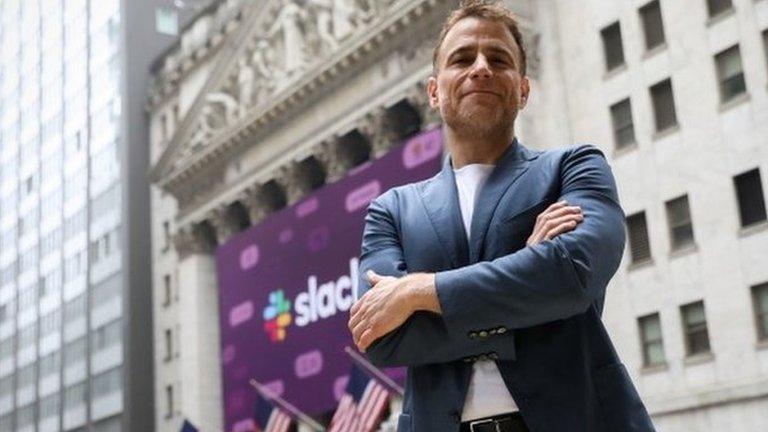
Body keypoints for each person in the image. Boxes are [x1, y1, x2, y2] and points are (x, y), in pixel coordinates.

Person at [347, 1, 656, 431]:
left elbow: (571, 277)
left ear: (523, 89)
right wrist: (526, 276)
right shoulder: (391, 210)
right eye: (462, 58)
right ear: (434, 91)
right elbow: (383, 337)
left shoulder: (575, 167)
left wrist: (420, 291)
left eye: (498, 59)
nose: (480, 68)